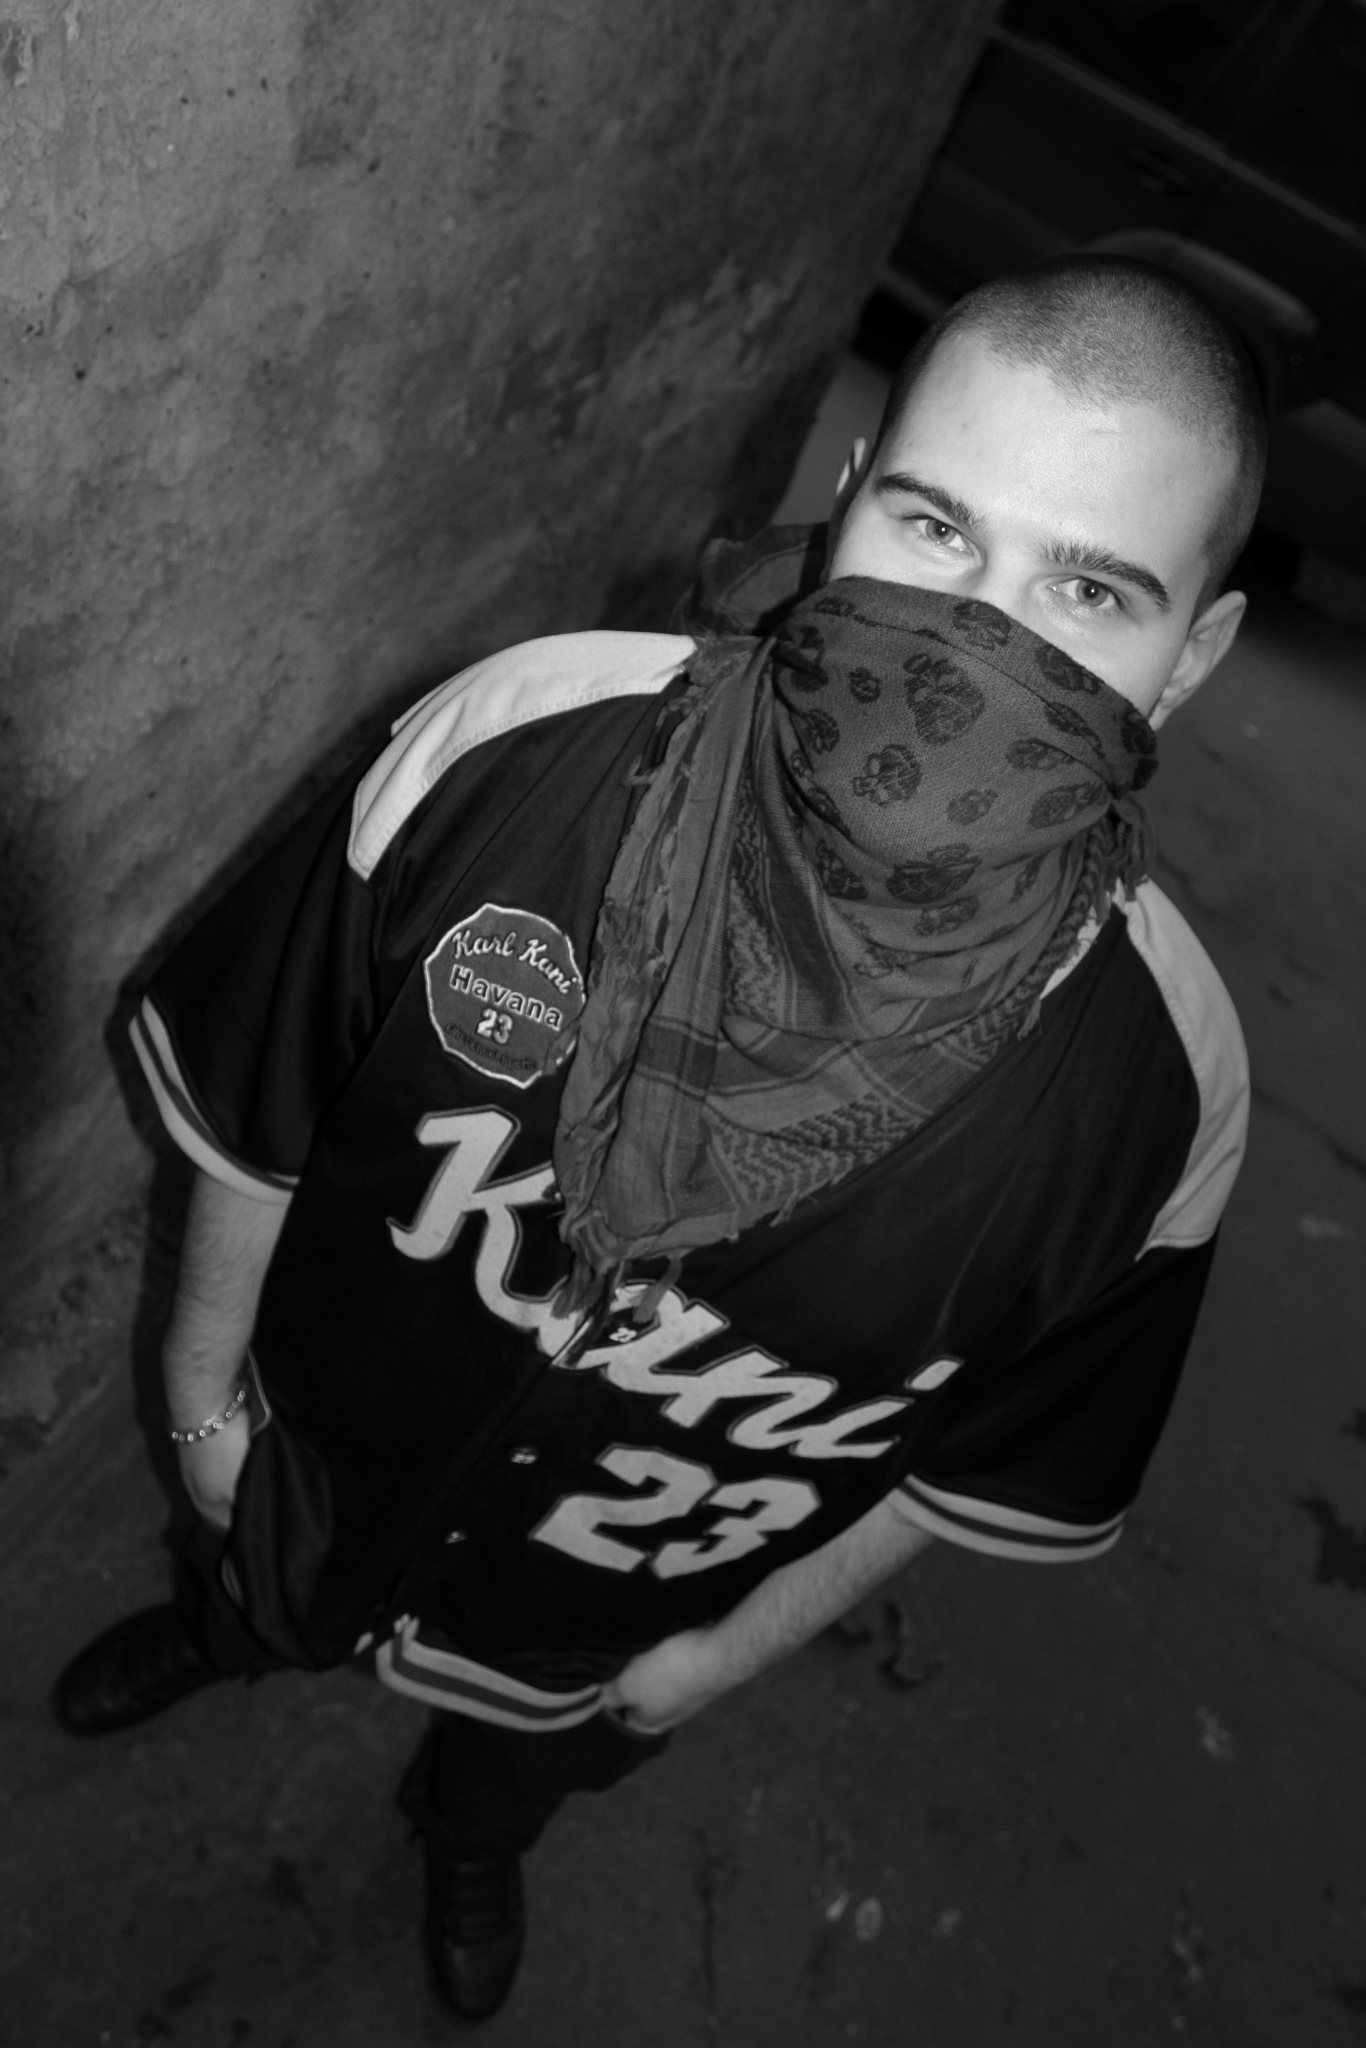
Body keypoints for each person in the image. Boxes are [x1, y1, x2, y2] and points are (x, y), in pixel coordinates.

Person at [53, 256, 1256, 2022]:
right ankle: (220, 1629)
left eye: (1086, 588)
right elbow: (263, 1104)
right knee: (248, 1577)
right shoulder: (520, 748)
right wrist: (200, 1416)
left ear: (1192, 655)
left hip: (615, 1609)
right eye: (934, 529)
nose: (967, 645)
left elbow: (991, 1455)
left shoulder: (1161, 1096)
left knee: (524, 1765)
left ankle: (471, 1838)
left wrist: (719, 1655)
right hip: (316, 1461)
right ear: (848, 497)